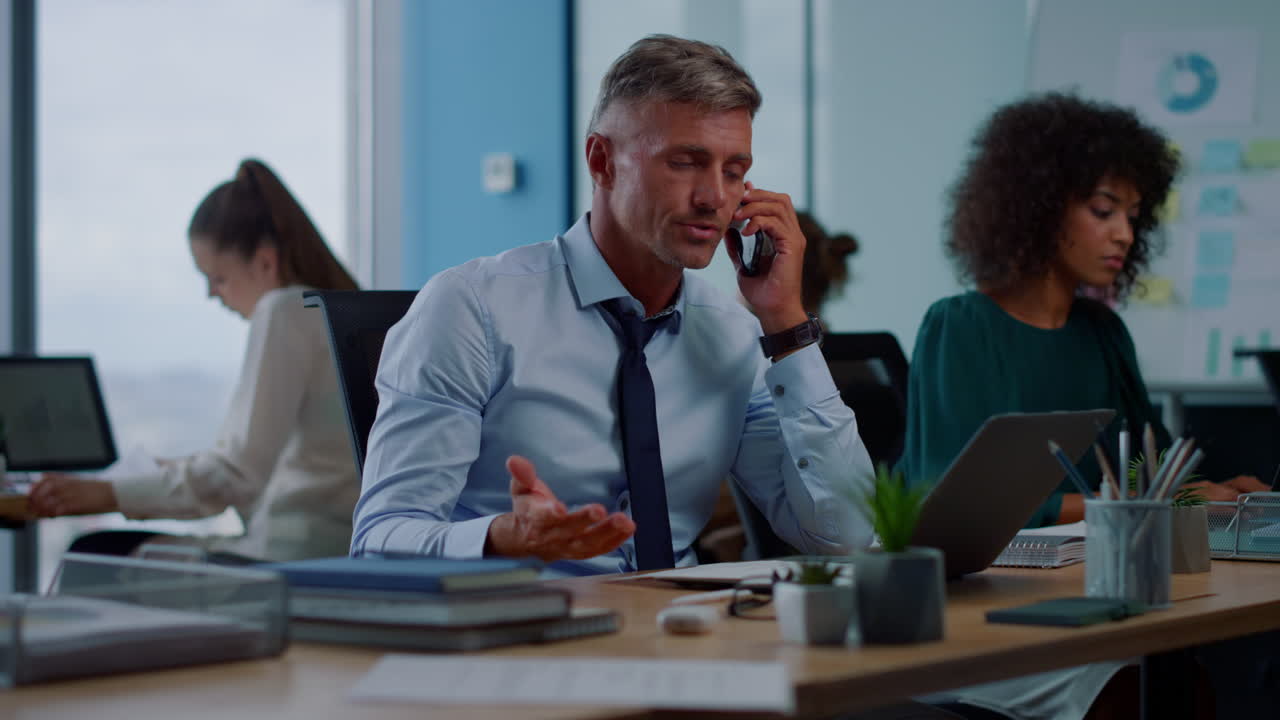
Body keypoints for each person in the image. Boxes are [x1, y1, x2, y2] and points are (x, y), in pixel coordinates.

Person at [350, 35, 876, 577]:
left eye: (733, 171)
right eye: (686, 163)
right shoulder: (471, 309)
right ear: (602, 161)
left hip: (687, 635)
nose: (714, 198)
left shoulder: (733, 334)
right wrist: (503, 538)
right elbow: (379, 540)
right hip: (523, 630)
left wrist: (786, 322)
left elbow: (847, 537)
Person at [899, 92, 1266, 532]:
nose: (1124, 235)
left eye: (1133, 217)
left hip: (1104, 568)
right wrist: (1161, 500)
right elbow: (959, 507)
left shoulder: (1102, 331)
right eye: (1103, 211)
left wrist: (1220, 492)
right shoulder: (961, 327)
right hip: (995, 584)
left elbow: (1154, 472)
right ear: (1040, 208)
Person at [28, 158, 362, 563]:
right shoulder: (339, 313)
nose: (211, 295)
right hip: (341, 550)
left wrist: (106, 494)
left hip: (287, 559)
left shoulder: (284, 311)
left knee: (93, 553)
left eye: (218, 278)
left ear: (265, 261)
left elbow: (238, 477)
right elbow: (277, 463)